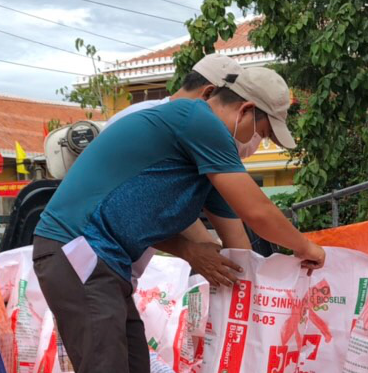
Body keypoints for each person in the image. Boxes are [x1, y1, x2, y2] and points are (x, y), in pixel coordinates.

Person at [33, 66, 325, 373]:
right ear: (245, 110)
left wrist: (255, 311)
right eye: (262, 131)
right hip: (76, 251)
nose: (258, 144)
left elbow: (237, 244)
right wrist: (309, 250)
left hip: (103, 262)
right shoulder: (198, 122)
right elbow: (259, 211)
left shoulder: (199, 160)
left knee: (131, 370)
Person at [106, 52, 259, 284]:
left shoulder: (195, 141)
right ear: (209, 95)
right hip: (92, 262)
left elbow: (235, 239)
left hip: (119, 273)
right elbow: (138, 210)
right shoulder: (146, 122)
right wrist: (195, 251)